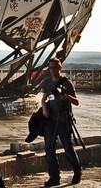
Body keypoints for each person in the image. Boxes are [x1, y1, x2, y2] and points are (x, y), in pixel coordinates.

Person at [40, 57, 81, 187]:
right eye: (50, 68)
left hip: (63, 120)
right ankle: (54, 177)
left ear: (60, 68)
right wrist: (44, 108)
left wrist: (67, 96)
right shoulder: (47, 82)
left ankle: (77, 171)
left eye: (54, 67)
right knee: (49, 149)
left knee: (67, 148)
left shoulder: (67, 83)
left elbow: (76, 102)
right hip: (51, 120)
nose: (52, 70)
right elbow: (44, 98)